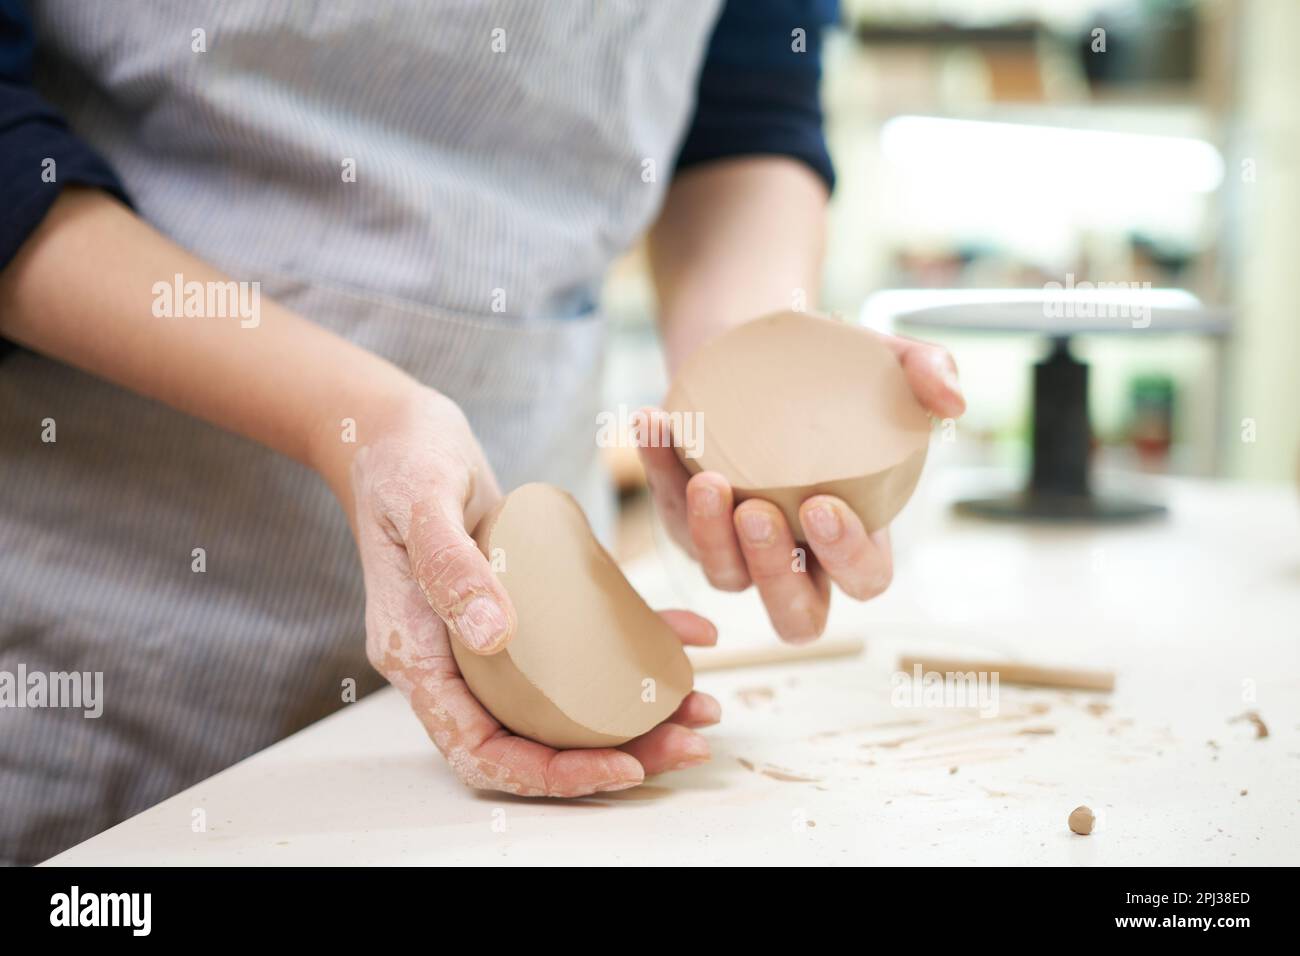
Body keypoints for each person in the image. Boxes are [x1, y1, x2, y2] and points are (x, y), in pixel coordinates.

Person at [0, 0, 964, 864]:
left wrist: (746, 392)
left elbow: (745, 107)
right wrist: (359, 420)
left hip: (528, 564)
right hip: (124, 607)